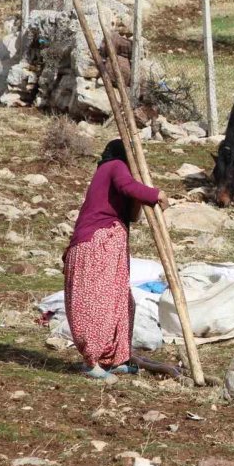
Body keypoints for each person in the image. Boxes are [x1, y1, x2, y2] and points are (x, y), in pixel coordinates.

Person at [63, 139, 169, 381]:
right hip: (96, 244)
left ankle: (113, 358)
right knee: (96, 301)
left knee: (119, 300)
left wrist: (143, 195)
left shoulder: (114, 173)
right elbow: (128, 186)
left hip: (109, 246)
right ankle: (92, 362)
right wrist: (156, 194)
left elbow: (132, 213)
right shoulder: (113, 166)